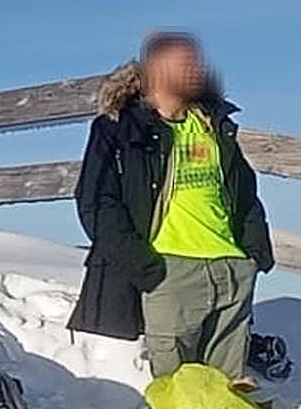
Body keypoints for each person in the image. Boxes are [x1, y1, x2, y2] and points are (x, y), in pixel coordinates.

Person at [67, 31, 275, 385]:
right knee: (175, 391)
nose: (197, 70)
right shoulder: (118, 128)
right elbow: (96, 202)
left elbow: (244, 192)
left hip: (231, 269)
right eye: (185, 64)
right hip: (169, 270)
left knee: (228, 390)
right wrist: (145, 267)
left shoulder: (213, 123)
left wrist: (252, 254)